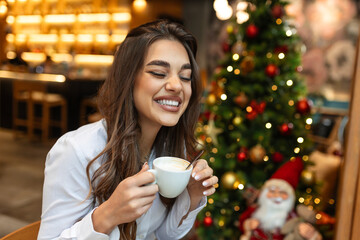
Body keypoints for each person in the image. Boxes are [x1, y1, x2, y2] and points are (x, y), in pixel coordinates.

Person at [38, 19, 218, 240]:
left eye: (185, 77)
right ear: (128, 79)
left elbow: (163, 234)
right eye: (159, 73)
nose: (176, 85)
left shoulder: (169, 149)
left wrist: (192, 194)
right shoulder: (76, 150)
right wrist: (108, 214)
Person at [239, 157, 322, 240]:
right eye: (272, 191)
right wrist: (248, 224)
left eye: (282, 193)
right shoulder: (255, 211)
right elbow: (242, 221)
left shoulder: (292, 217)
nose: (276, 196)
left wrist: (311, 235)